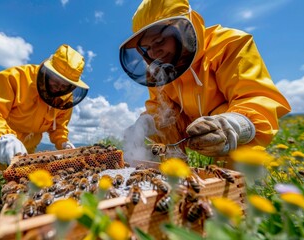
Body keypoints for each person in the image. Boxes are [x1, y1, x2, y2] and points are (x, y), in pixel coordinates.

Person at [120, 0, 291, 168]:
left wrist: (231, 125)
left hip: (237, 145)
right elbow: (164, 115)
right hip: (192, 137)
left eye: (159, 41)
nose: (154, 52)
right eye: (147, 47)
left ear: (182, 30)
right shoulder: (159, 74)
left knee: (233, 186)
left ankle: (246, 183)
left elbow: (255, 97)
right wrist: (145, 126)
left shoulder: (228, 44)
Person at [0, 44, 89, 179]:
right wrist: (2, 137)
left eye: (65, 85)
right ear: (47, 71)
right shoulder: (16, 77)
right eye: (56, 81)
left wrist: (63, 142)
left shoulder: (64, 99)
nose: (58, 88)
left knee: (17, 196)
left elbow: (58, 126)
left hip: (26, 156)